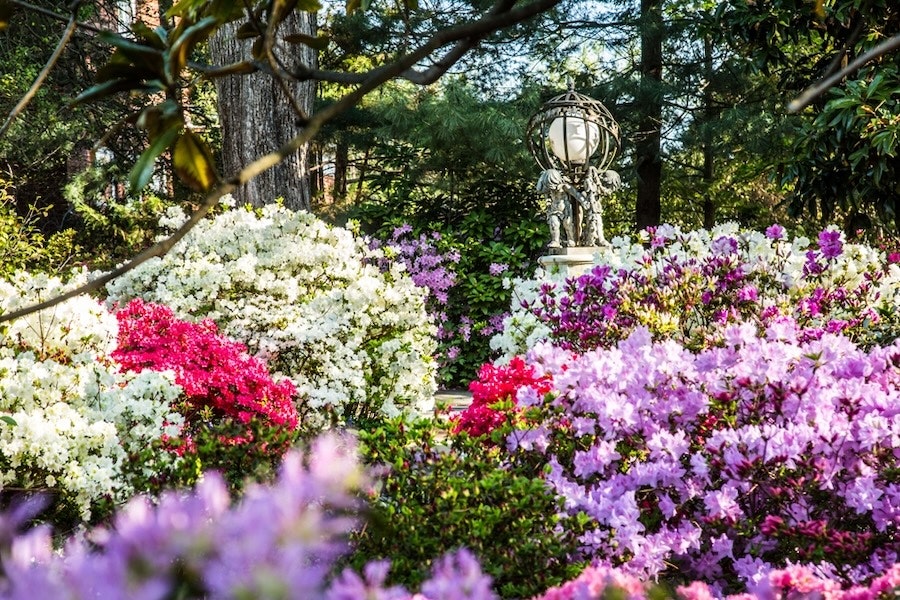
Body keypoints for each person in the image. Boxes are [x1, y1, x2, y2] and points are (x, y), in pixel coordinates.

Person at [536, 169, 578, 248]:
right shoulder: (549, 188)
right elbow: (538, 190)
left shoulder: (564, 186)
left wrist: (585, 202)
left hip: (565, 208)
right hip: (554, 209)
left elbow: (575, 194)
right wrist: (542, 177)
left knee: (568, 225)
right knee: (554, 224)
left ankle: (571, 239)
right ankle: (555, 241)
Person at [579, 167, 621, 246]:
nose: (609, 191)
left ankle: (599, 239)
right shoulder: (591, 185)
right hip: (592, 210)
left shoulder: (596, 188)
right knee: (594, 224)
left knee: (598, 223)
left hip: (595, 209)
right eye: (609, 187)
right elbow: (588, 197)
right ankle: (595, 240)